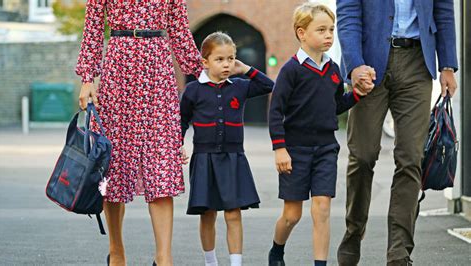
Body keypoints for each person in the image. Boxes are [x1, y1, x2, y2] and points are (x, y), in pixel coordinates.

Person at [75, 1, 203, 265]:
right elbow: (94, 27)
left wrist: (205, 73)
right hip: (118, 69)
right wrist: (88, 78)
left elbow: (179, 30)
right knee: (114, 165)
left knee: (162, 165)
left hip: (158, 69)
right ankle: (117, 251)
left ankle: (164, 257)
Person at [335, 0, 458, 265]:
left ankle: (399, 254)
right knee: (363, 156)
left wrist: (447, 64)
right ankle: (354, 232)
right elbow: (348, 13)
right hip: (370, 61)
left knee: (410, 160)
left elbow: (444, 10)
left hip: (417, 63)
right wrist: (354, 63)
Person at [267, 3, 368, 266]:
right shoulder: (290, 70)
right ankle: (277, 250)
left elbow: (335, 106)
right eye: (321, 29)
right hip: (295, 151)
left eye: (331, 29)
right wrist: (280, 148)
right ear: (301, 33)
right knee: (292, 215)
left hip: (325, 149)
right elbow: (275, 112)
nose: (329, 35)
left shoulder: (333, 69)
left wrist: (356, 95)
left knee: (322, 209)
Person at [180, 32, 274, 266]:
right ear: (205, 62)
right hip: (203, 158)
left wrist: (246, 69)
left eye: (230, 59)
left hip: (233, 158)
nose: (226, 64)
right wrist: (177, 145)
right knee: (208, 213)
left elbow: (268, 85)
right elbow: (180, 121)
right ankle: (211, 262)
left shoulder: (240, 87)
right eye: (220, 59)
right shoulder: (193, 90)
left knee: (234, 213)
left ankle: (236, 263)